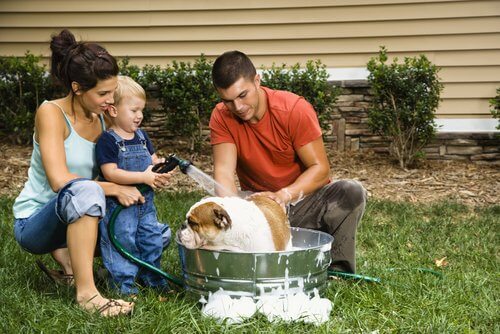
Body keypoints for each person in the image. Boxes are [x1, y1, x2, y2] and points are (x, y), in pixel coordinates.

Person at [12, 29, 169, 316]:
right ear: (77, 87)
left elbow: (116, 164)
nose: (111, 100)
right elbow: (60, 180)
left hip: (79, 213)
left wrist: (148, 172)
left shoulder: (99, 119)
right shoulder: (51, 113)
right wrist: (113, 188)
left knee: (158, 235)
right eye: (103, 93)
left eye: (113, 92)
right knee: (87, 190)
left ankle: (70, 260)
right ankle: (87, 295)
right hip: (36, 223)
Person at [209, 50, 367, 274]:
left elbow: (320, 170)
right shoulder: (221, 116)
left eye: (243, 95)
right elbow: (223, 173)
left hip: (302, 205)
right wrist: (235, 214)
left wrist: (284, 195)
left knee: (351, 191)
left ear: (257, 80)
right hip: (260, 210)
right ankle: (243, 261)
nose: (238, 107)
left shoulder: (293, 109)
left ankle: (337, 269)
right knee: (211, 208)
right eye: (228, 101)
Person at [96, 76, 171, 296]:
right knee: (122, 243)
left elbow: (152, 161)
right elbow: (110, 173)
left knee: (152, 240)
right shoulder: (108, 141)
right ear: (113, 110)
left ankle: (154, 281)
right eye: (134, 110)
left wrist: (160, 168)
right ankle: (124, 287)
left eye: (141, 110)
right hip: (120, 207)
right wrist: (142, 176)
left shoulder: (142, 136)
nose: (139, 116)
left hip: (146, 205)